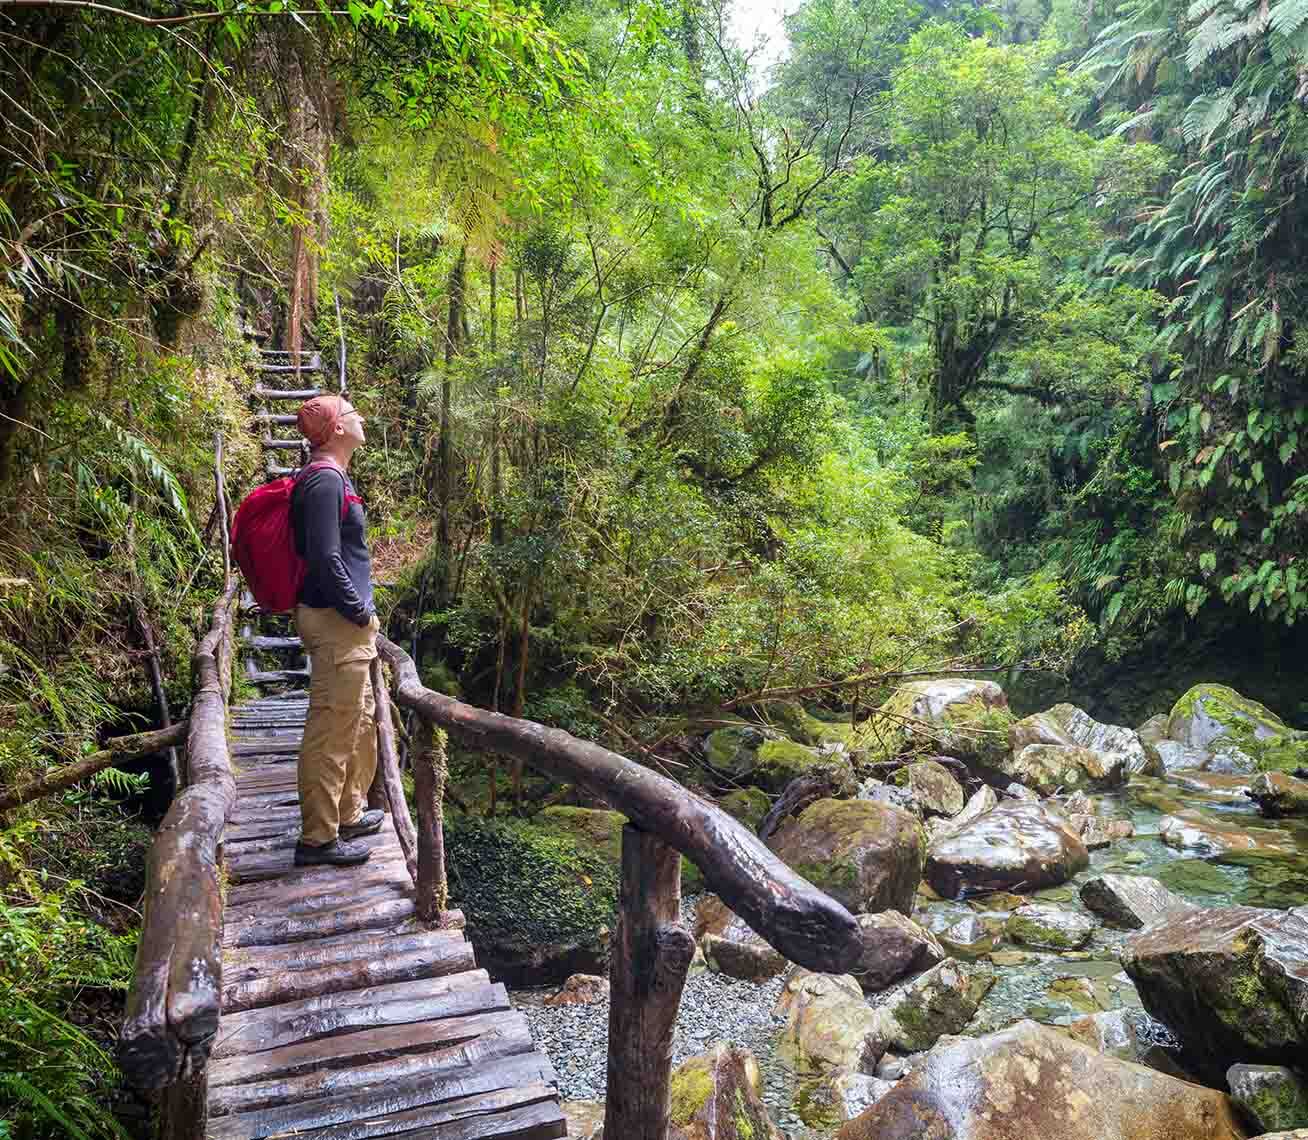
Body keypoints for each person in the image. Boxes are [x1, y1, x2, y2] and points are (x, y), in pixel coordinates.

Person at [290, 393, 383, 866]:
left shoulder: (333, 478)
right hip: (337, 621)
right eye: (351, 412)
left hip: (344, 622)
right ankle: (317, 839)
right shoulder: (325, 481)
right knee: (332, 726)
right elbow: (325, 558)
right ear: (338, 429)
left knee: (358, 720)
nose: (360, 417)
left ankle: (348, 811)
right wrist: (359, 612)